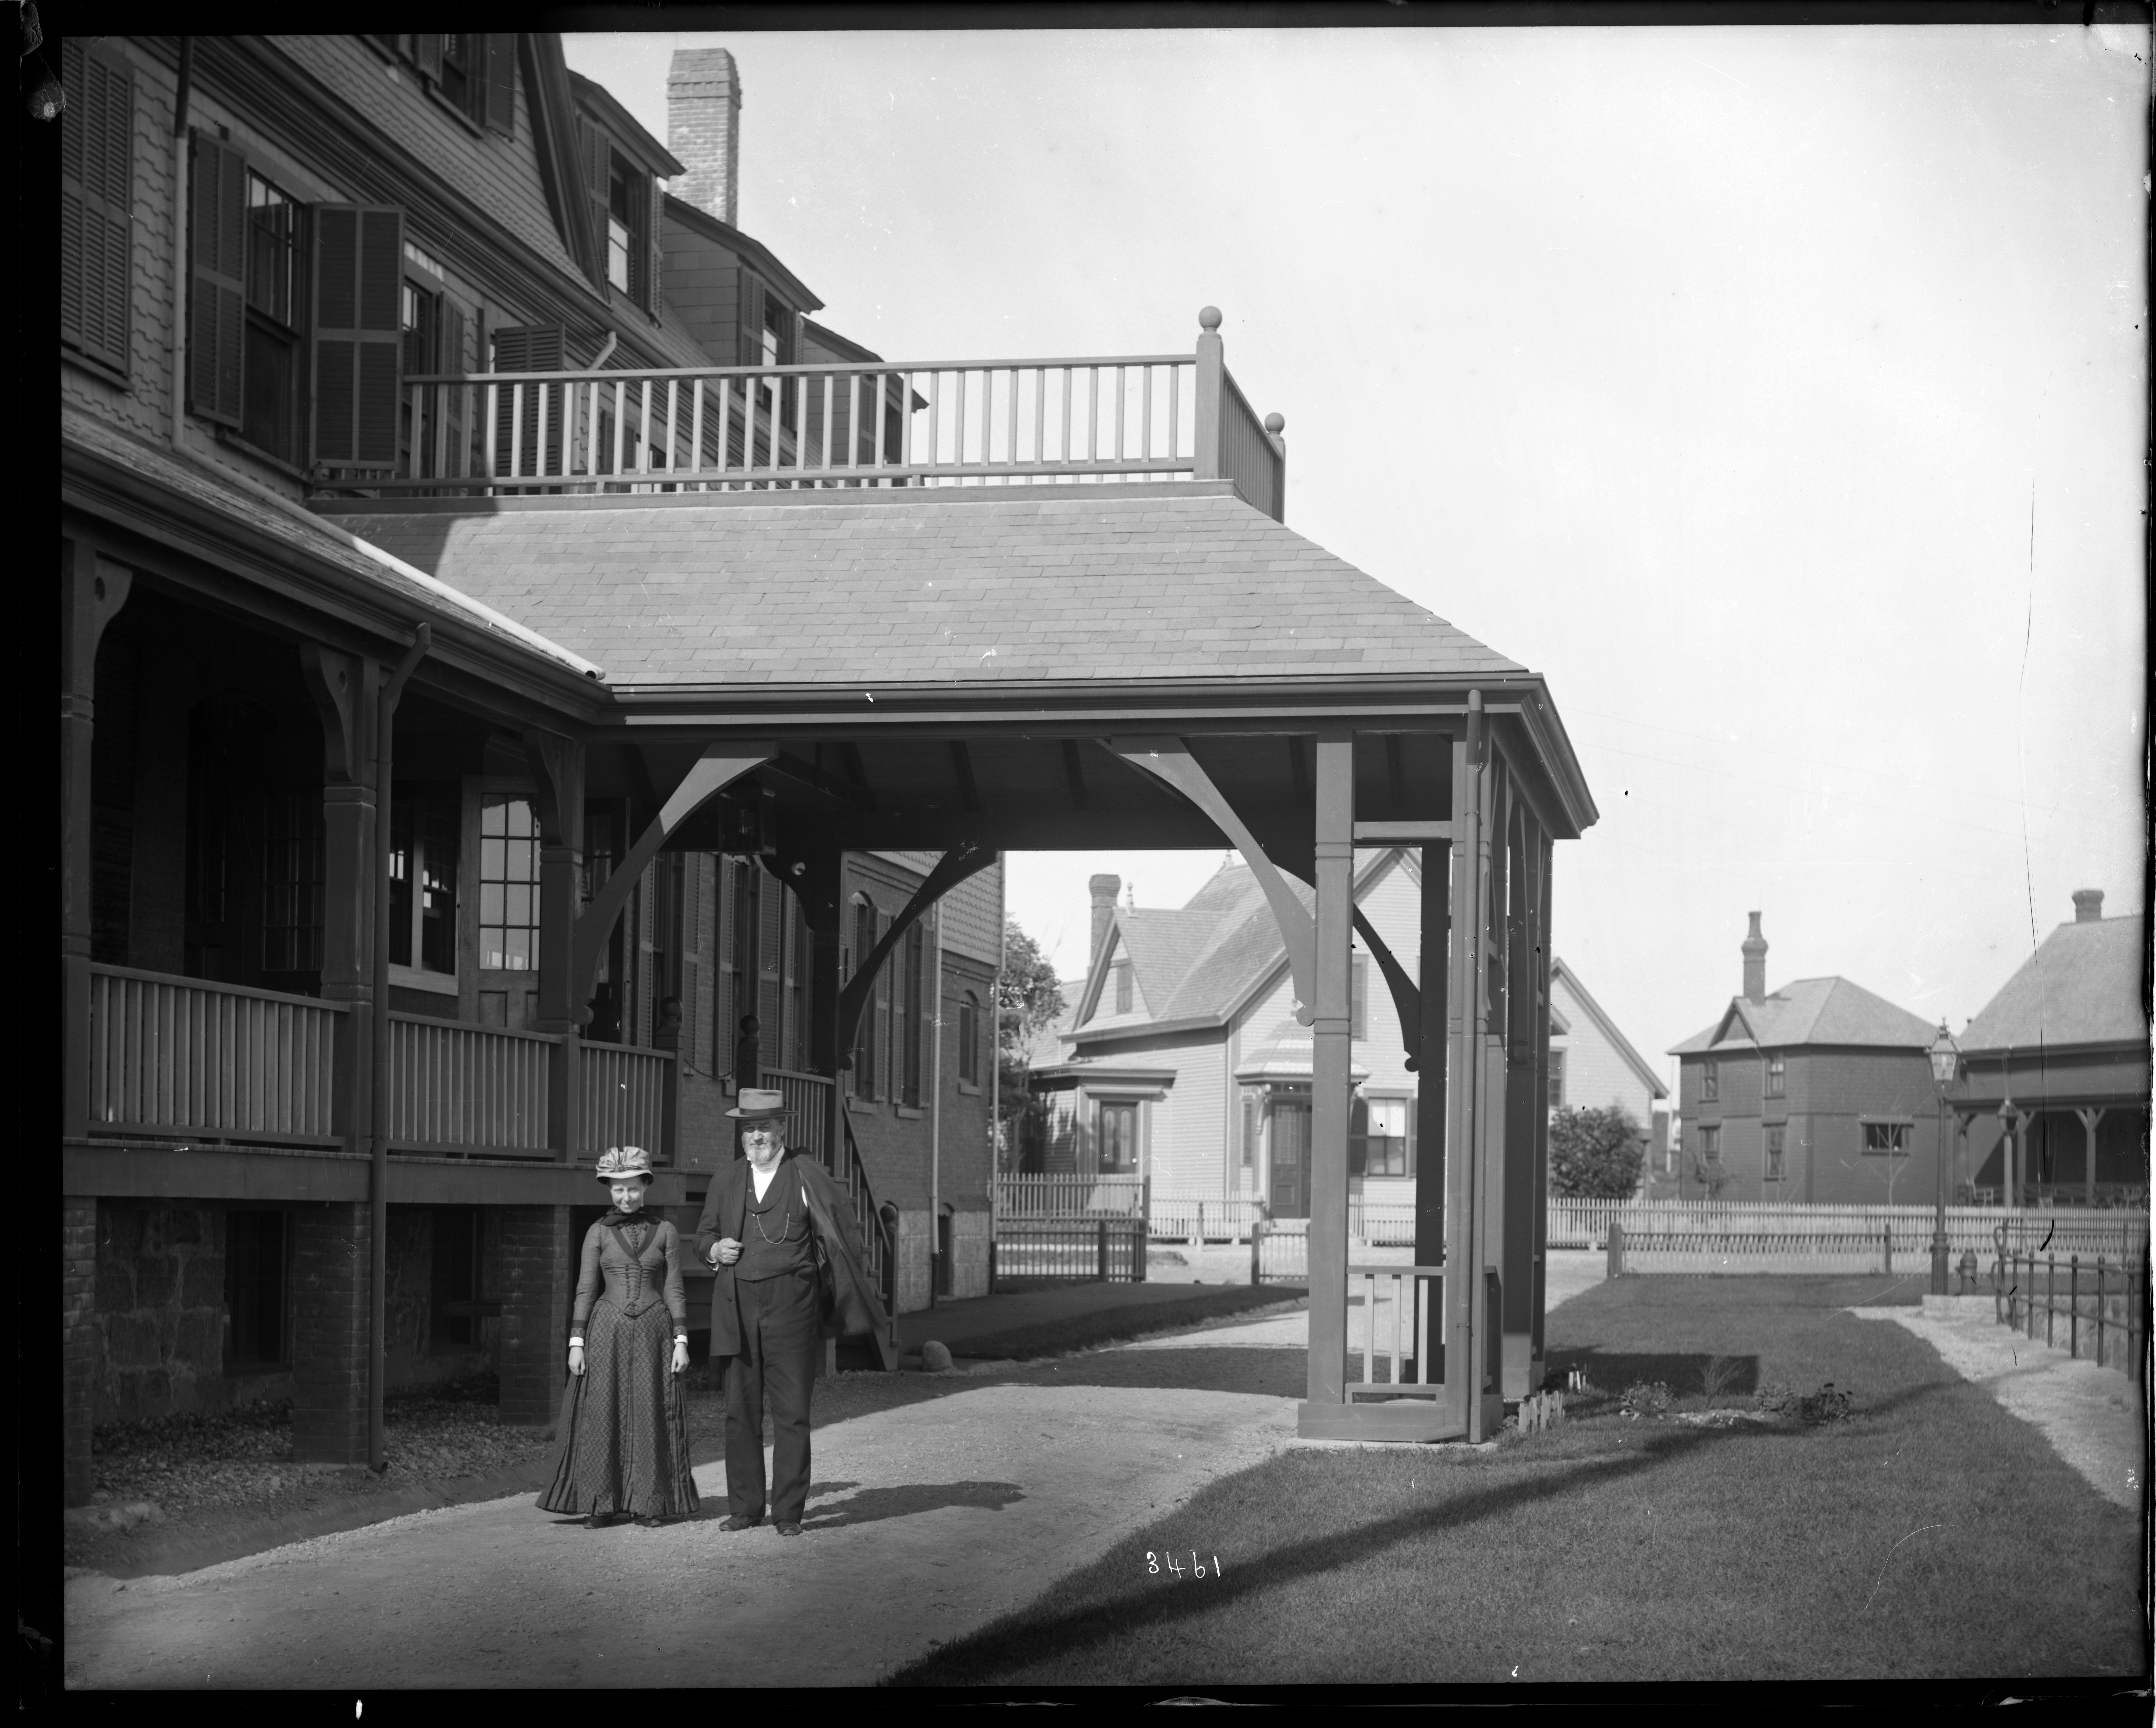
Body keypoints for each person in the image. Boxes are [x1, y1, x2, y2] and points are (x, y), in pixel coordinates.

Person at [693, 1089, 880, 1536]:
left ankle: (788, 1512)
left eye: (763, 1126)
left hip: (791, 1306)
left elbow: (841, 1233)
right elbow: (703, 1235)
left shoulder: (805, 1175)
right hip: (737, 1306)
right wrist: (714, 1249)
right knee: (739, 1410)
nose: (756, 1135)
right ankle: (745, 1507)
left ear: (781, 1128)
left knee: (791, 1411)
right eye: (748, 1128)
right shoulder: (725, 1179)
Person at [536, 1146, 698, 1529]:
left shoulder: (667, 1232)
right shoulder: (597, 1232)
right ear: (609, 1189)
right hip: (605, 1331)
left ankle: (649, 1502)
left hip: (654, 1332)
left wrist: (681, 1340)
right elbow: (585, 1289)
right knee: (602, 1412)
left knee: (651, 1410)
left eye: (633, 1189)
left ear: (646, 1186)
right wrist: (576, 1343)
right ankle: (602, 1503)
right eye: (618, 1190)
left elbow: (675, 1288)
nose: (626, 1197)